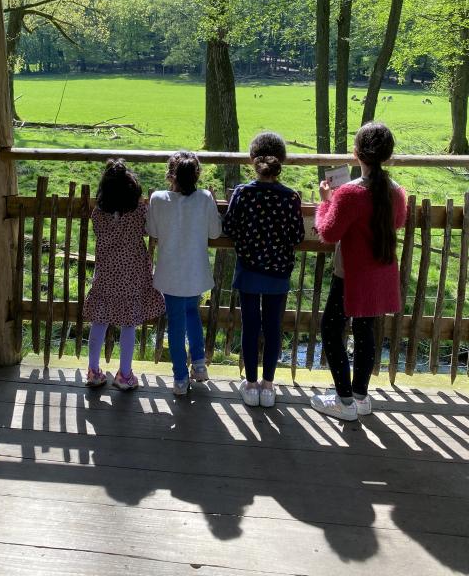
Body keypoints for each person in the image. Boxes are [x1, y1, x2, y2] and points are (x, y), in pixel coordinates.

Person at [311, 121, 407, 421]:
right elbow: (398, 222)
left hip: (350, 276)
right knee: (366, 332)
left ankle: (344, 401)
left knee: (331, 329)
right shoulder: (396, 192)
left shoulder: (349, 193)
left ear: (356, 153)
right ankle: (360, 397)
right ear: (388, 155)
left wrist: (326, 203)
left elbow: (328, 232)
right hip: (380, 273)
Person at [223, 132, 305, 408]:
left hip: (249, 270)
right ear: (281, 161)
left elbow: (229, 228)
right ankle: (268, 386)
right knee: (272, 328)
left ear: (252, 160)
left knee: (250, 327)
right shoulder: (290, 197)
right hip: (278, 273)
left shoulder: (243, 193)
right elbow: (297, 236)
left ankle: (250, 384)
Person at [83, 159, 165, 390]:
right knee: (129, 324)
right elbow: (149, 229)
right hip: (132, 276)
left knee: (100, 321)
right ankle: (125, 375)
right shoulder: (138, 212)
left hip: (106, 275)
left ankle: (93, 371)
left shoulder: (98, 214)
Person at [146, 151, 222, 396]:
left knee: (176, 324)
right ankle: (199, 364)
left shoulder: (158, 198)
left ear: (171, 175)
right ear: (196, 174)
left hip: (171, 274)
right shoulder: (205, 198)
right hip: (196, 272)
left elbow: (152, 230)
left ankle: (180, 377)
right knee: (192, 314)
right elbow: (215, 233)